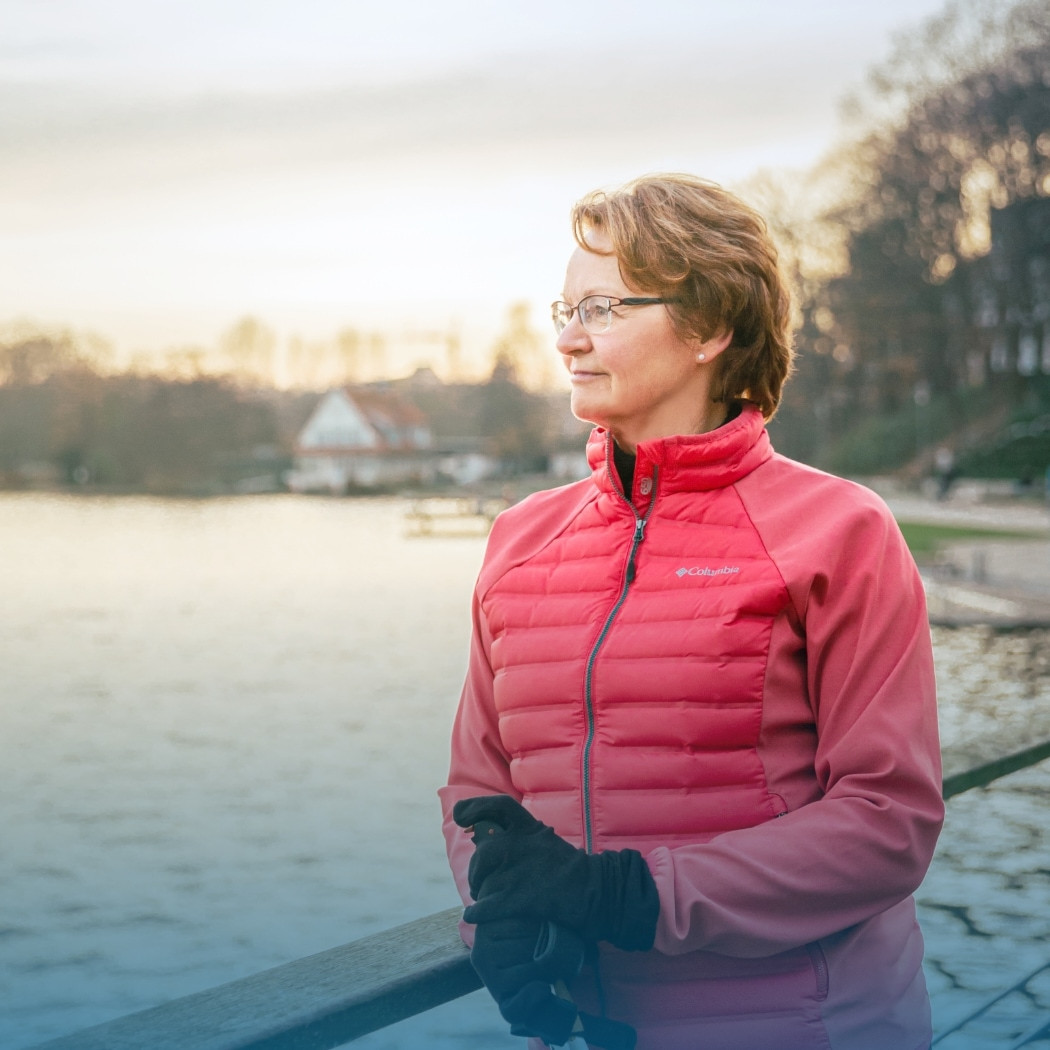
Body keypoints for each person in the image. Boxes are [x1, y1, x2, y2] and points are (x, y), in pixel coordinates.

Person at [439, 173, 944, 1050]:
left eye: (600, 307)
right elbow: (480, 796)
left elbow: (887, 821)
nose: (565, 338)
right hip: (582, 1033)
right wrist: (500, 922)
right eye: (564, 306)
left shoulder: (840, 533)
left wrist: (630, 896)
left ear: (710, 326)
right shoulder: (519, 539)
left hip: (806, 1028)